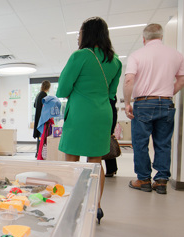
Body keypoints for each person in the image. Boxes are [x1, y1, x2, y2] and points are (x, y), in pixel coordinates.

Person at [56, 17, 122, 224]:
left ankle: (71, 205)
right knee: (95, 163)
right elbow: (112, 93)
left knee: (71, 162)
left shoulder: (80, 56)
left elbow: (62, 89)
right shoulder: (116, 61)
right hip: (102, 115)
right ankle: (96, 207)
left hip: (80, 115)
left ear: (88, 34)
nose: (78, 37)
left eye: (80, 32)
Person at [123, 23, 184, 194]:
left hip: (143, 103)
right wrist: (164, 95)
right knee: (163, 143)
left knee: (140, 143)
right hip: (166, 103)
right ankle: (162, 181)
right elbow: (181, 80)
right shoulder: (176, 55)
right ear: (161, 36)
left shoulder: (137, 55)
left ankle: (143, 180)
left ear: (144, 38)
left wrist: (128, 103)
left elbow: (129, 80)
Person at [33, 81, 51, 157]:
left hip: (37, 117)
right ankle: (39, 153)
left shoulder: (38, 94)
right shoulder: (44, 94)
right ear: (48, 87)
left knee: (39, 135)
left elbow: (34, 105)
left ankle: (37, 152)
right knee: (42, 135)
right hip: (41, 118)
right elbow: (45, 107)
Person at [104, 95, 118, 177]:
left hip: (106, 116)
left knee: (107, 143)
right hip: (110, 115)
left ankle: (111, 169)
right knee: (108, 142)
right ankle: (112, 169)